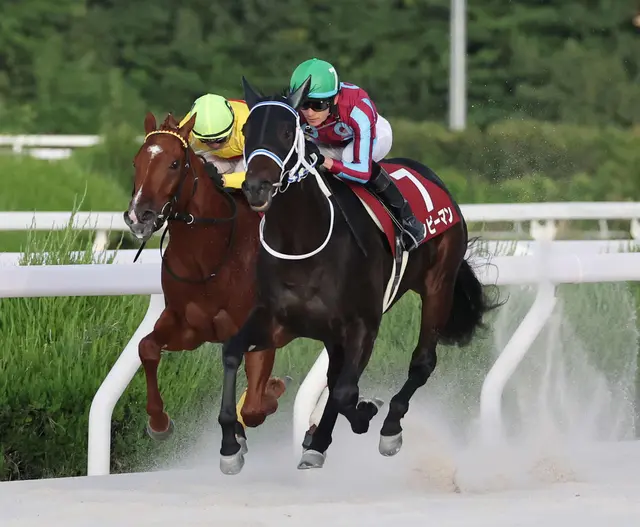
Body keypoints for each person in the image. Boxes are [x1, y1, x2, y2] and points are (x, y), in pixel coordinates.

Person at [288, 58, 426, 251]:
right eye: (303, 103)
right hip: (328, 140)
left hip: (373, 135)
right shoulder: (294, 110)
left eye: (318, 105)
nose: (309, 113)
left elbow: (362, 172)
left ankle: (407, 219)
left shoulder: (358, 109)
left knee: (348, 157)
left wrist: (327, 162)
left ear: (335, 99)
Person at [178, 93, 248, 189]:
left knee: (241, 174)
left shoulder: (249, 125)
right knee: (195, 171)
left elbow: (260, 174)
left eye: (221, 139)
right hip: (222, 155)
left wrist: (223, 180)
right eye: (205, 140)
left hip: (251, 153)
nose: (214, 145)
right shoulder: (191, 122)